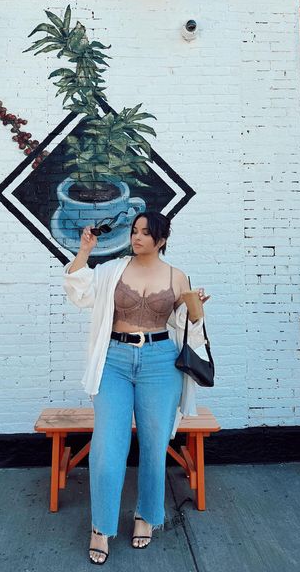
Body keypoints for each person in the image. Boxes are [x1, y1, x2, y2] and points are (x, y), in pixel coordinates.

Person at [63, 211, 210, 565]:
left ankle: (146, 515)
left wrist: (195, 309)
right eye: (135, 230)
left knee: (154, 444)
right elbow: (79, 292)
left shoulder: (177, 276)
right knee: (106, 447)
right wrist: (85, 251)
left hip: (160, 363)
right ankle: (101, 526)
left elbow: (185, 325)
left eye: (146, 232)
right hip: (113, 360)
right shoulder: (113, 270)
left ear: (161, 240)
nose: (137, 237)